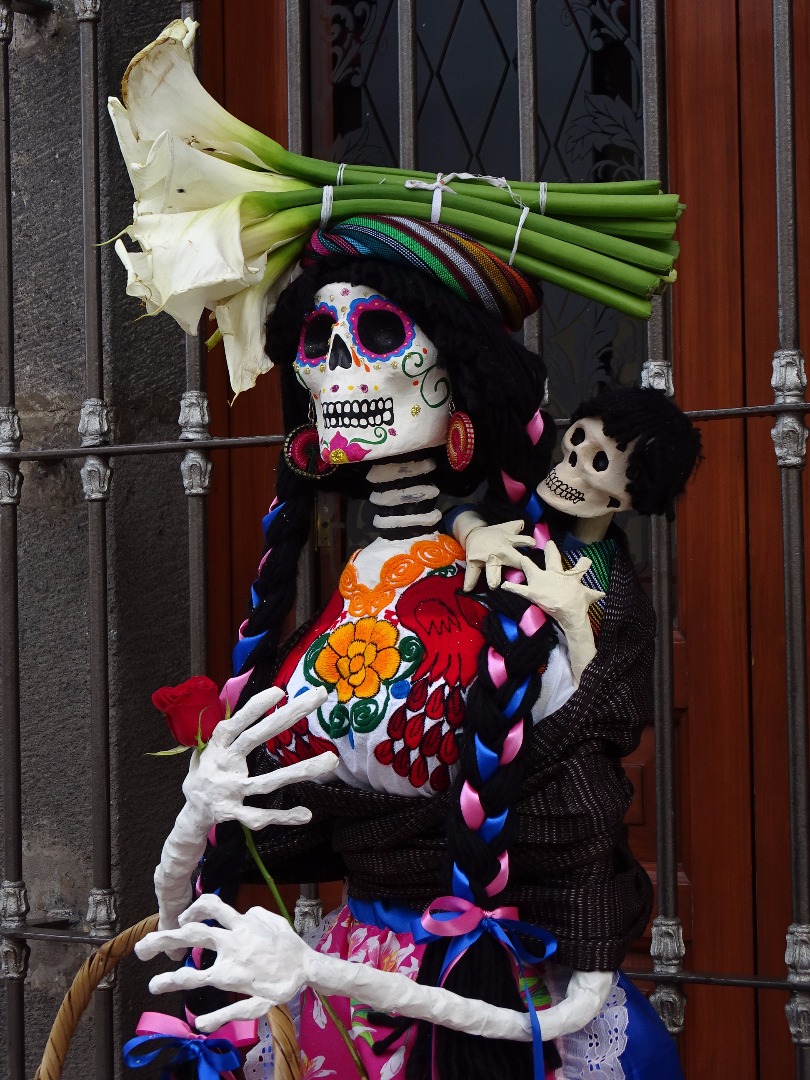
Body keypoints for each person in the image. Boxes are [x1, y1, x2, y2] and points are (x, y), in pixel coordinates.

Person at [136, 219, 695, 1080]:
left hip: (487, 996)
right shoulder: (359, 584)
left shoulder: (522, 584)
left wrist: (317, 969)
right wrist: (201, 808)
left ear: (457, 373)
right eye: (319, 343)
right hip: (340, 1005)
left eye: (381, 335)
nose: (341, 367)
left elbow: (577, 971)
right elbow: (184, 912)